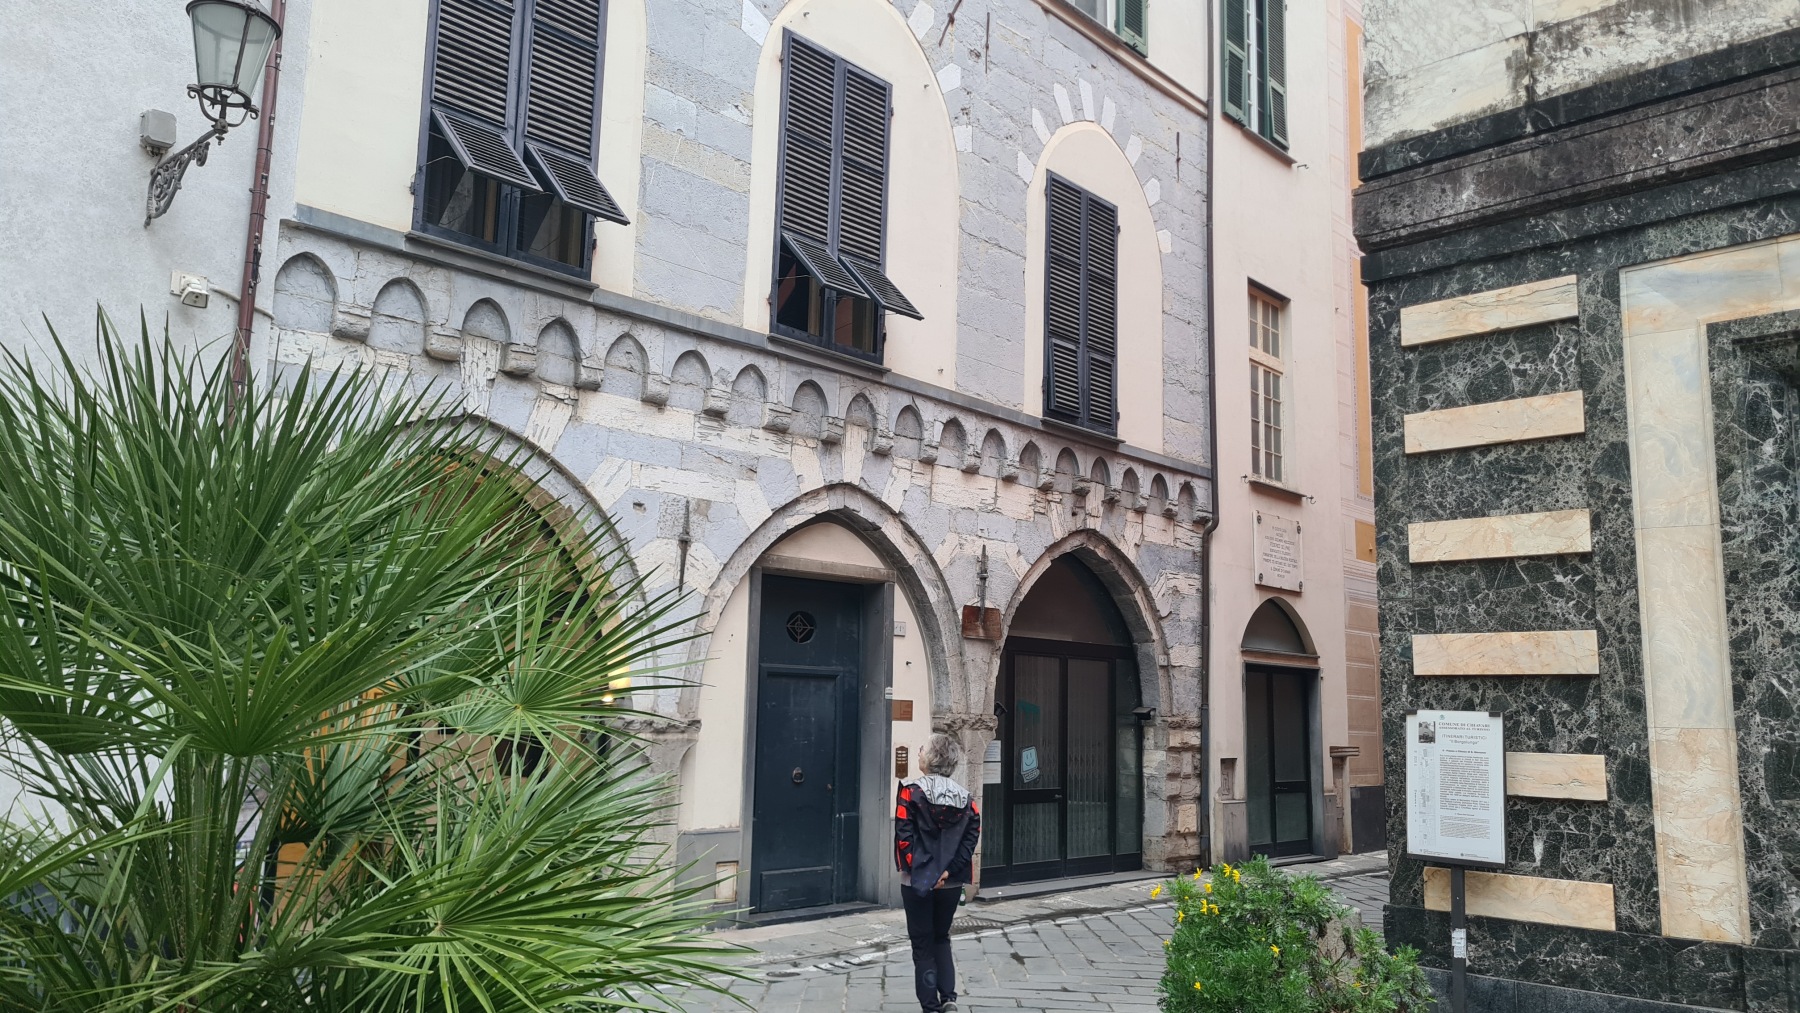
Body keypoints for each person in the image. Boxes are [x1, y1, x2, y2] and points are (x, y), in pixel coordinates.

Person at [894, 733, 981, 1013]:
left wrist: (927, 872)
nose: (919, 752)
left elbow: (904, 837)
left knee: (922, 942)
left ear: (931, 758)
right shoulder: (967, 799)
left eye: (923, 749)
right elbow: (971, 838)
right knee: (941, 936)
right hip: (951, 882)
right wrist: (947, 871)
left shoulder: (910, 793)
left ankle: (930, 1006)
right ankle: (949, 999)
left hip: (916, 881)